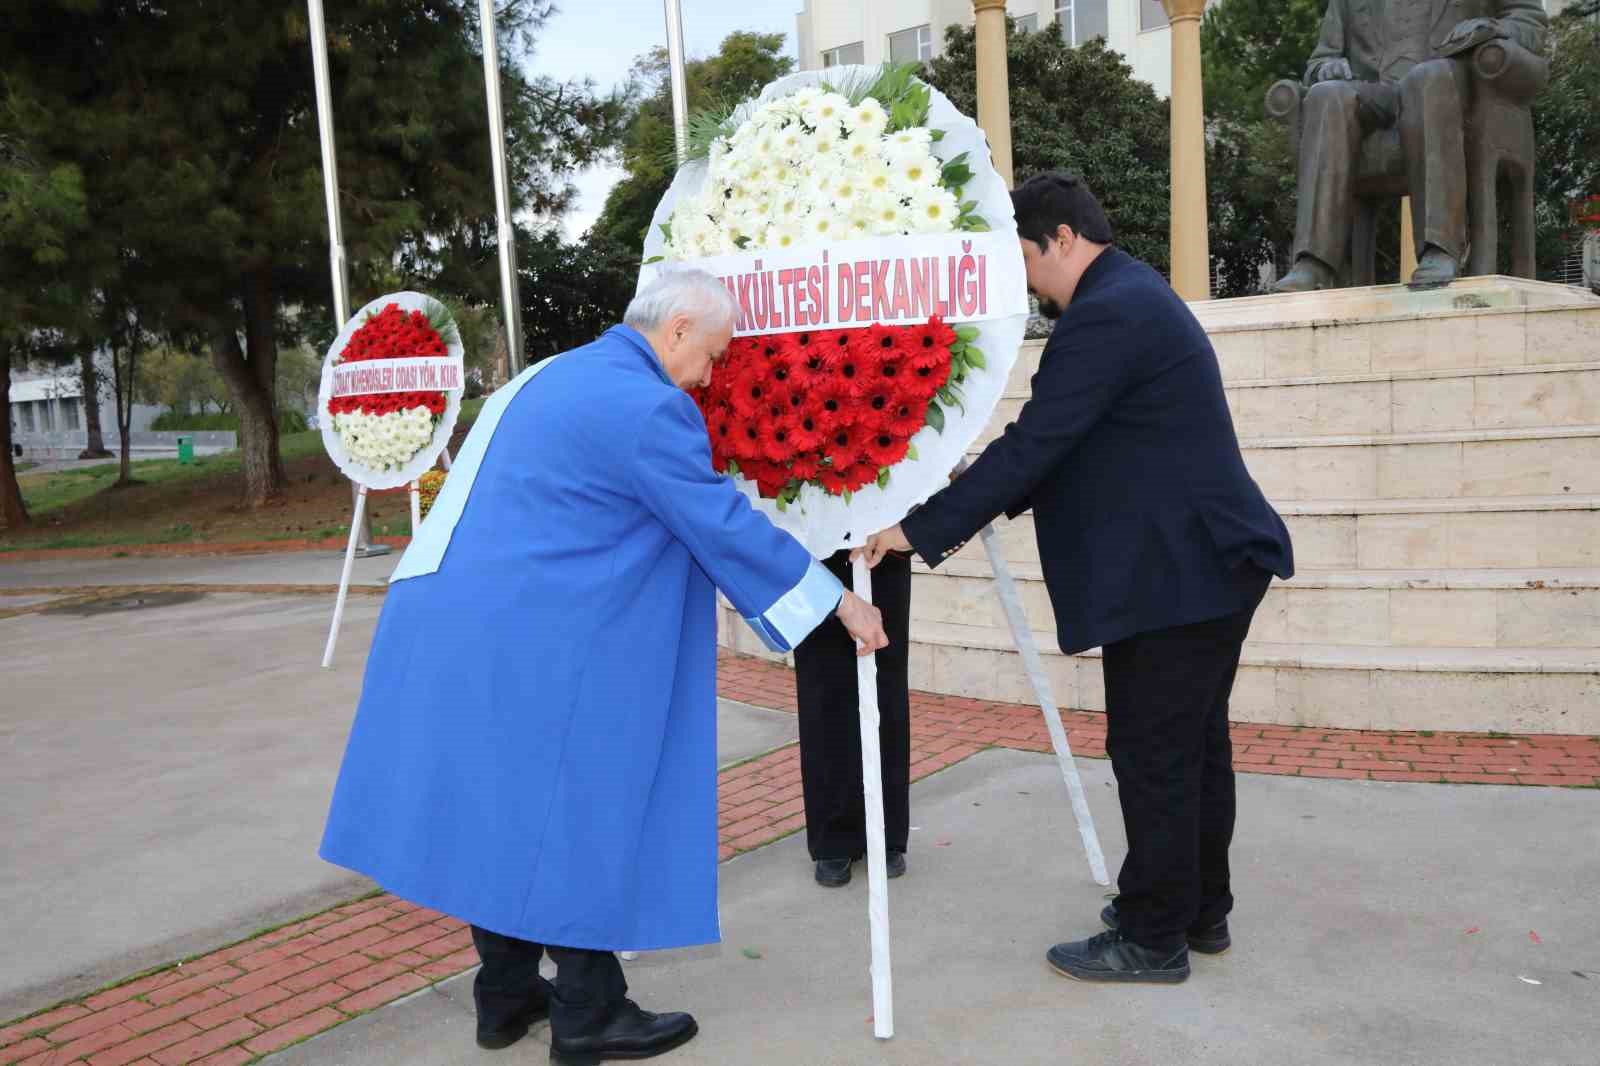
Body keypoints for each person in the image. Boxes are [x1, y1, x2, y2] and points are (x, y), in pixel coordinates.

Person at [319, 270, 889, 1063]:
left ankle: (507, 995)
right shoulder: (646, 404)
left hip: (447, 621)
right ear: (680, 328)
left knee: (502, 811)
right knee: (573, 810)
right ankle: (589, 1010)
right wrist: (837, 603)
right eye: (713, 354)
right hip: (533, 638)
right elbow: (718, 522)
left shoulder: (544, 375)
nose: (712, 375)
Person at [859, 173, 1294, 985]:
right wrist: (961, 489)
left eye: (1027, 259)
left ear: (1062, 238)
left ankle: (1152, 935)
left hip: (1183, 572)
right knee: (1191, 747)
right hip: (1202, 563)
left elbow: (1037, 443)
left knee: (1155, 752)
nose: (1027, 281)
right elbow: (1062, 446)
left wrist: (915, 529)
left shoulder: (1108, 312)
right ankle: (1197, 909)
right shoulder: (1128, 297)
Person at [1272, 0, 1547, 292]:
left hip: (1456, 89)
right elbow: (1319, 60)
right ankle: (1314, 264)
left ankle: (1440, 249)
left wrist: (1493, 28)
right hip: (1376, 92)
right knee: (1326, 95)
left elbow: (1530, 21)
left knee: (1427, 78)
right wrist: (1326, 69)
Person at [793, 548, 912, 887]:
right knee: (822, 690)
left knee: (885, 686)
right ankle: (833, 835)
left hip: (880, 543)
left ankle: (887, 831)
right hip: (817, 549)